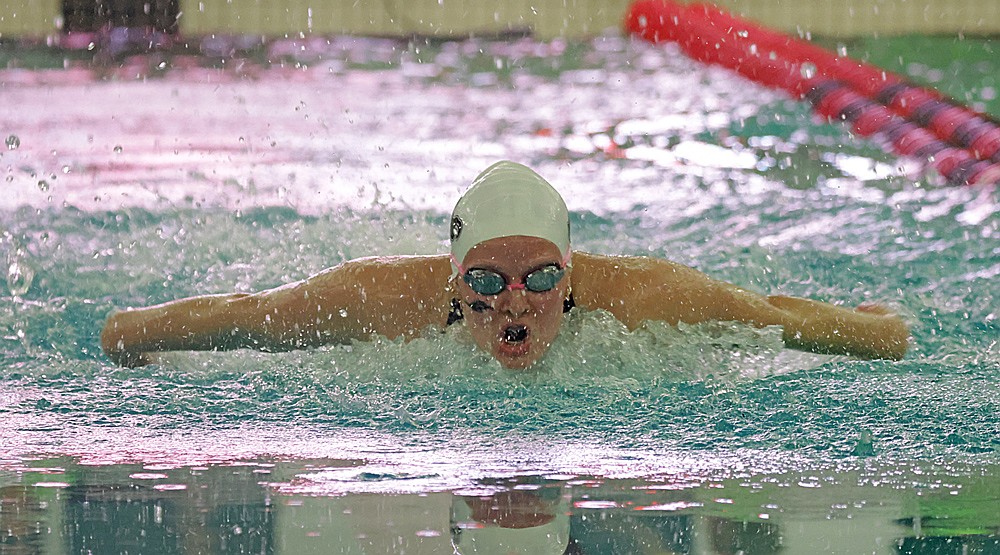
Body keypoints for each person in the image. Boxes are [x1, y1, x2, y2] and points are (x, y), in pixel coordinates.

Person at [101, 161, 910, 369]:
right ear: (456, 279)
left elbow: (770, 318)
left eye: (541, 279)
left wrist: (877, 333)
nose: (515, 303)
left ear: (571, 272)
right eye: (487, 281)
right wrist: (130, 334)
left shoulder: (646, 298)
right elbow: (252, 314)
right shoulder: (380, 299)